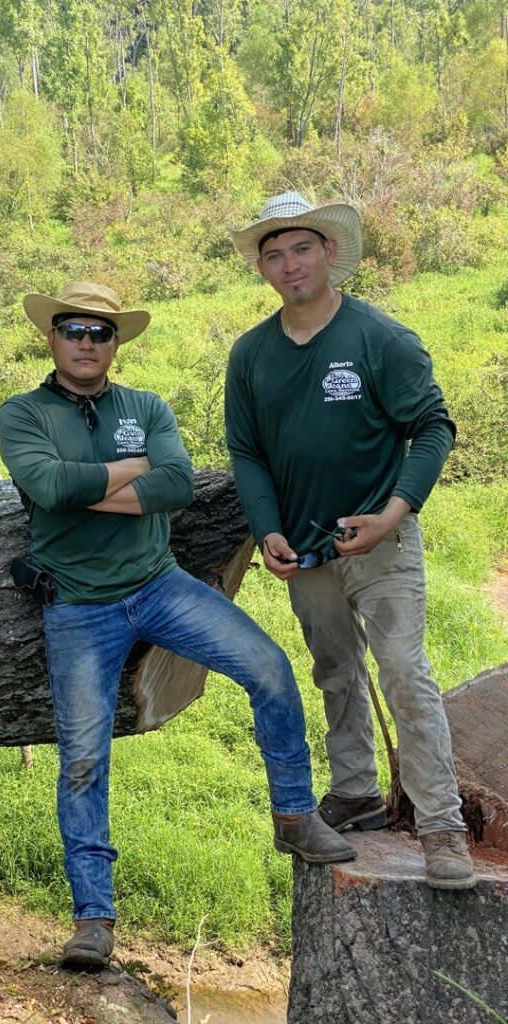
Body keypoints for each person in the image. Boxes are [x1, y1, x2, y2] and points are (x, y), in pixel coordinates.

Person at [0, 280, 355, 970]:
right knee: (81, 760)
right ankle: (93, 919)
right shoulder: (24, 413)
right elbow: (47, 488)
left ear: (116, 342)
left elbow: (178, 486)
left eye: (100, 332)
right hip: (78, 607)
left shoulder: (146, 406)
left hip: (159, 586)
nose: (86, 342)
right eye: (73, 329)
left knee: (271, 670)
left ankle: (294, 817)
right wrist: (131, 472)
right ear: (51, 336)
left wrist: (92, 484)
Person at [224, 192, 475, 890]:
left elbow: (433, 427)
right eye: (273, 254)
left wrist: (394, 514)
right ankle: (358, 792)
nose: (288, 264)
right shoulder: (251, 354)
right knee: (335, 670)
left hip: (382, 542)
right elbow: (246, 451)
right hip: (305, 549)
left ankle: (442, 830)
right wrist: (265, 526)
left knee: (403, 670)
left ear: (329, 252)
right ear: (264, 269)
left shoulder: (379, 337)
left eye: (300, 248)